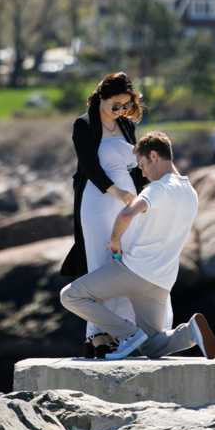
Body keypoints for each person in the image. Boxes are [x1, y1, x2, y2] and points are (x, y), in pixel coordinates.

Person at [59, 131, 215, 360]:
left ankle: (128, 334)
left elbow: (127, 213)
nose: (142, 172)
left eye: (142, 164)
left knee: (71, 296)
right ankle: (190, 333)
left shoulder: (158, 188)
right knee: (152, 346)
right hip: (161, 281)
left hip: (134, 271)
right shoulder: (190, 192)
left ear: (154, 156)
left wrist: (114, 242)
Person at [59, 71, 171, 354]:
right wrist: (118, 193)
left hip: (126, 204)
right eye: (116, 105)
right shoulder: (83, 125)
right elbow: (89, 167)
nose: (120, 110)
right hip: (97, 201)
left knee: (123, 261)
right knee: (100, 263)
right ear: (102, 98)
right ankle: (98, 334)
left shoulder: (125, 126)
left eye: (125, 105)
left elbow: (136, 168)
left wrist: (147, 198)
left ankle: (126, 330)